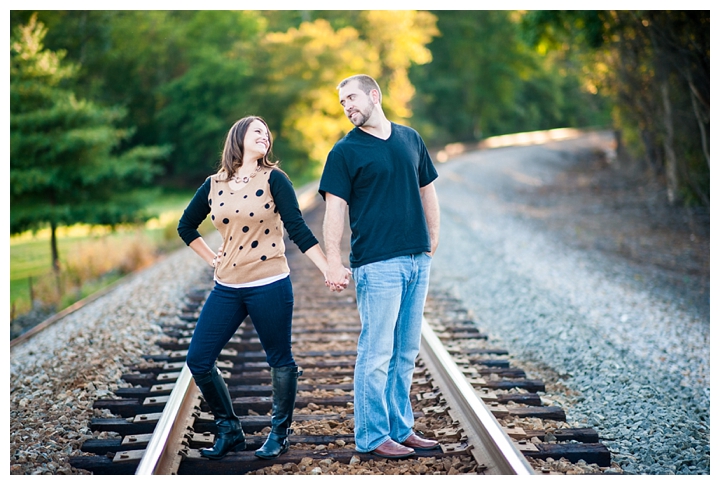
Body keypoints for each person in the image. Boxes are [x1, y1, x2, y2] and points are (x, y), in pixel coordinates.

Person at [177, 115, 348, 460]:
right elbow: (186, 226)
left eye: (267, 134)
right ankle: (229, 429)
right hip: (226, 287)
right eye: (257, 132)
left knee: (279, 359)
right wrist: (213, 259)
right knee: (199, 360)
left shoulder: (275, 179)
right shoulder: (213, 184)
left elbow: (297, 228)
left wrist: (329, 266)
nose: (265, 137)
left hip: (269, 283)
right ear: (238, 137)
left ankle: (279, 433)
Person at [319, 74, 441, 459]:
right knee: (376, 354)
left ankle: (401, 429)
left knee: (405, 352)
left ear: (375, 95)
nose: (347, 106)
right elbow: (334, 211)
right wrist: (334, 261)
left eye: (352, 98)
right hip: (377, 264)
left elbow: (428, 190)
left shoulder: (410, 138)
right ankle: (371, 436)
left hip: (416, 260)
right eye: (342, 103)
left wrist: (432, 241)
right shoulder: (344, 152)